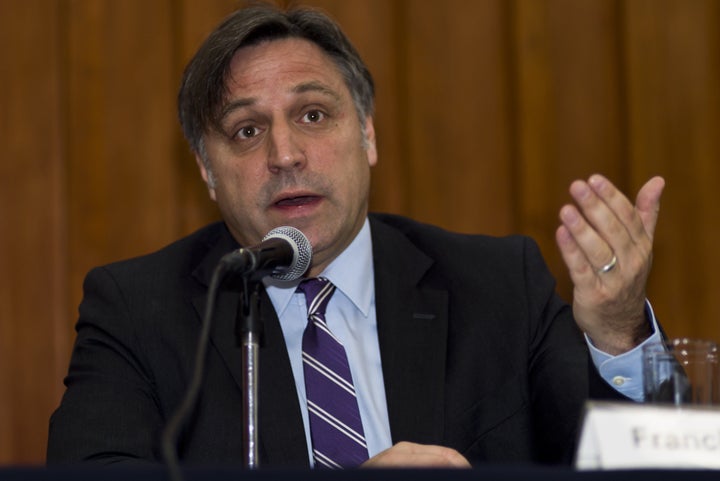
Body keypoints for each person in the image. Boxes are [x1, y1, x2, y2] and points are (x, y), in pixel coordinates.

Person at [47, 3, 666, 469]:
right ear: (207, 172)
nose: (285, 153)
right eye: (245, 131)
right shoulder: (136, 312)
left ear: (367, 135)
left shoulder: (500, 285)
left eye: (312, 115)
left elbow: (637, 467)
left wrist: (617, 332)